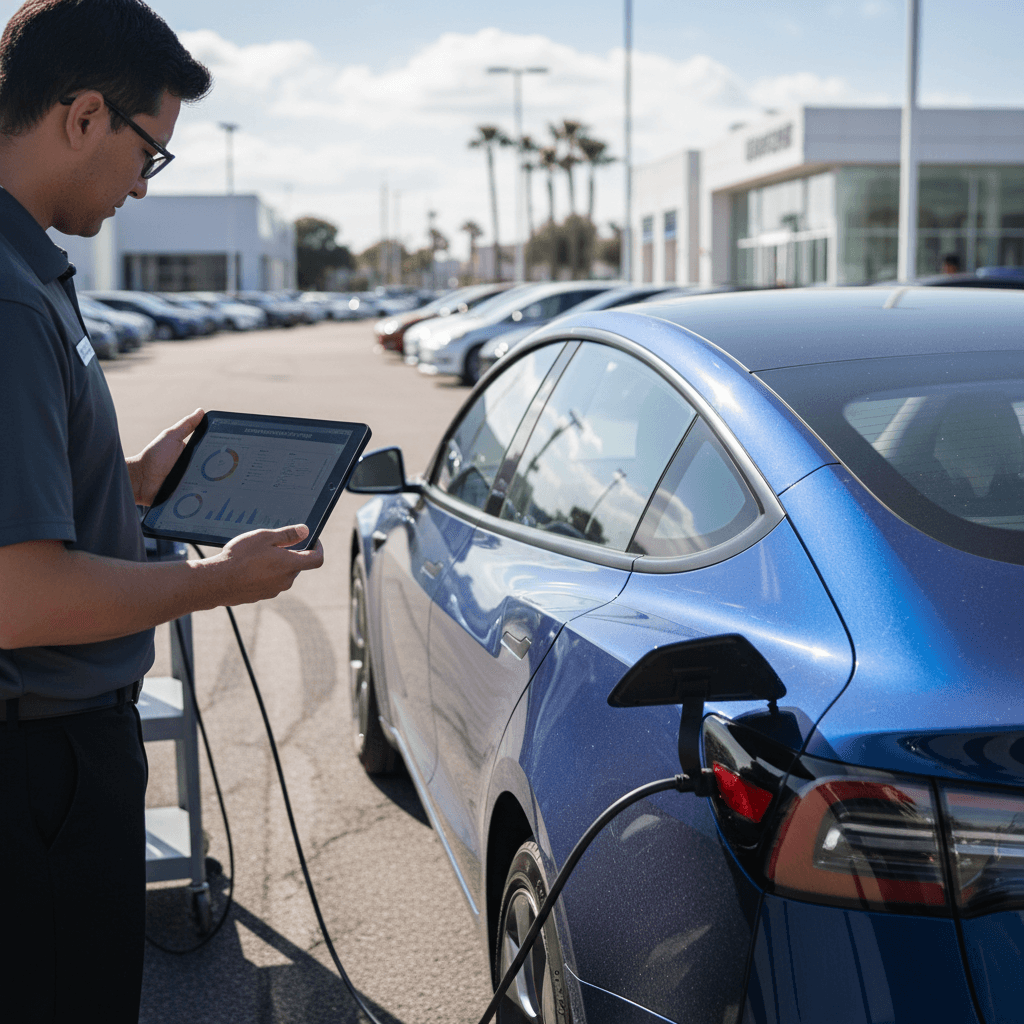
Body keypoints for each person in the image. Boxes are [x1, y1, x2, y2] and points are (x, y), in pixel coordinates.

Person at [0, 2, 324, 1021]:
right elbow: (20, 597)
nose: (144, 184)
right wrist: (218, 580)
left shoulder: (29, 273)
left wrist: (127, 483)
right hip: (38, 771)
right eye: (151, 153)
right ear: (85, 116)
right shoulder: (9, 298)